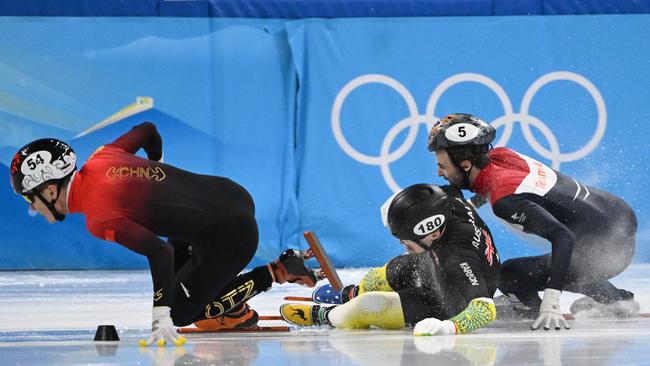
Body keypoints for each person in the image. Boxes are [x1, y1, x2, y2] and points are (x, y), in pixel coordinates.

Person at [9, 122, 319, 346]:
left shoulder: (99, 218)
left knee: (184, 313)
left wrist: (162, 314)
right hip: (231, 193)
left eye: (30, 198)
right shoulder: (103, 156)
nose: (33, 207)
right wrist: (154, 164)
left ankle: (277, 271)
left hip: (229, 235)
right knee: (179, 274)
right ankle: (230, 301)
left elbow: (159, 252)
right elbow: (147, 130)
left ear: (50, 190)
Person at [427, 113, 639, 331]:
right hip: (618, 216)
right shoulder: (499, 156)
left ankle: (529, 309)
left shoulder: (505, 201)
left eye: (443, 166)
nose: (439, 172)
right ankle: (618, 300)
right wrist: (471, 205)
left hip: (608, 250)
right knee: (558, 266)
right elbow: (491, 184)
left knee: (509, 275)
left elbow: (563, 237)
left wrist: (552, 299)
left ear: (465, 165)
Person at [280, 183, 501, 336]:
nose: (402, 244)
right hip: (442, 271)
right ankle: (352, 293)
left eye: (407, 240)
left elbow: (485, 310)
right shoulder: (448, 200)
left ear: (433, 232)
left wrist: (449, 328)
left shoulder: (457, 257)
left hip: (450, 302)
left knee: (367, 306)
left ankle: (328, 316)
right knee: (390, 270)